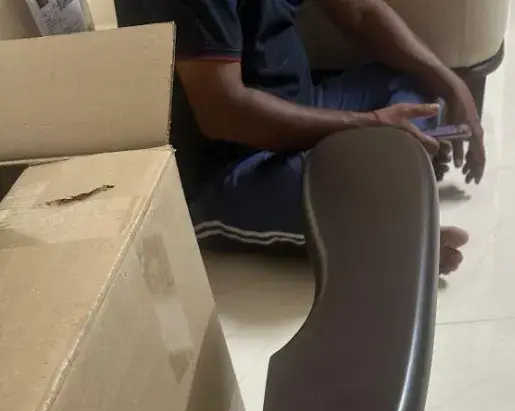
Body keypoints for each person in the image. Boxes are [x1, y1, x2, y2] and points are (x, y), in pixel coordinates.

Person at [115, 0, 485, 274]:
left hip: (305, 105)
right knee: (355, 196)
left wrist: (452, 83)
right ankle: (383, 221)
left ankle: (385, 180)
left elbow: (360, 11)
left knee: (418, 87)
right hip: (230, 164)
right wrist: (370, 124)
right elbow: (223, 112)